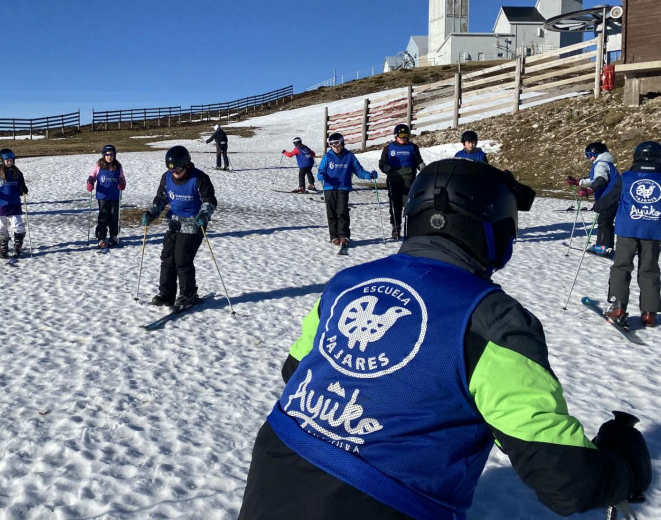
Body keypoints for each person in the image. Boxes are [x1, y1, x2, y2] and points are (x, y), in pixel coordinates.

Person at [239, 158, 651, 520]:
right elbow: (565, 479)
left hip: (278, 460)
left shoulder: (347, 282)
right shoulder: (492, 320)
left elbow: (294, 369)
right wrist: (622, 467)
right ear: (494, 233)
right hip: (384, 499)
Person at [141, 145, 217, 311]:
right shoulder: (167, 178)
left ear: (187, 164)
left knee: (182, 259)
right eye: (171, 169)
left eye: (178, 169)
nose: (174, 172)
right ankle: (166, 294)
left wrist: (204, 215)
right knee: (167, 258)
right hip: (174, 222)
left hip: (194, 223)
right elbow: (160, 201)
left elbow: (209, 201)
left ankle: (188, 294)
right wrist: (151, 214)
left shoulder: (200, 178)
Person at [603, 141, 661, 328]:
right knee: (650, 269)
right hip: (654, 230)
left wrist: (599, 208)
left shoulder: (626, 177)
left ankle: (618, 306)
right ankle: (649, 313)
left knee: (622, 266)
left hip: (627, 228)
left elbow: (610, 199)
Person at [317, 132, 375, 247]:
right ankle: (334, 236)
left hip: (343, 188)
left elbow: (359, 171)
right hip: (330, 188)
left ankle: (343, 235)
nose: (335, 147)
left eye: (337, 144)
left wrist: (369, 175)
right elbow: (321, 170)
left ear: (342, 143)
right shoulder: (327, 157)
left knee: (342, 211)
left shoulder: (349, 156)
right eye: (332, 145)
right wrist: (321, 175)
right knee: (331, 213)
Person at [566, 142, 619, 257]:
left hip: (609, 197)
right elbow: (593, 179)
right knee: (604, 221)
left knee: (605, 221)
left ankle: (604, 248)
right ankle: (603, 246)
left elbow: (601, 180)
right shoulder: (604, 163)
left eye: (589, 155)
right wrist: (578, 182)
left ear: (596, 154)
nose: (588, 158)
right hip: (610, 197)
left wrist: (589, 190)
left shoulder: (601, 164)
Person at [379, 123, 425, 240]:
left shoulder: (413, 147)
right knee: (395, 205)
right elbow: (382, 162)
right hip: (394, 180)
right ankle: (396, 226)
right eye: (401, 136)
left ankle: (411, 227)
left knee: (409, 204)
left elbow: (418, 161)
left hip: (409, 179)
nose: (403, 138)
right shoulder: (388, 148)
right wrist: (385, 167)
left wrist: (422, 167)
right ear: (395, 136)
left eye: (405, 136)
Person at [0, 148, 29, 258]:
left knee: (18, 225)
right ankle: (3, 247)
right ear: (1, 161)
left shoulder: (17, 173)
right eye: (7, 160)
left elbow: (20, 185)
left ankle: (18, 245)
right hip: (0, 204)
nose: (9, 162)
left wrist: (23, 188)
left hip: (14, 203)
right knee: (0, 226)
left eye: (11, 160)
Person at [86, 144, 126, 249]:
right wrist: (90, 182)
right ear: (104, 155)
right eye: (107, 154)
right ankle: (101, 238)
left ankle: (113, 236)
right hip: (103, 195)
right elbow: (92, 175)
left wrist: (122, 184)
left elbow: (122, 178)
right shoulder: (99, 165)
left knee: (114, 217)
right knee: (103, 217)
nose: (109, 156)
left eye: (111, 154)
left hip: (114, 195)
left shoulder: (118, 166)